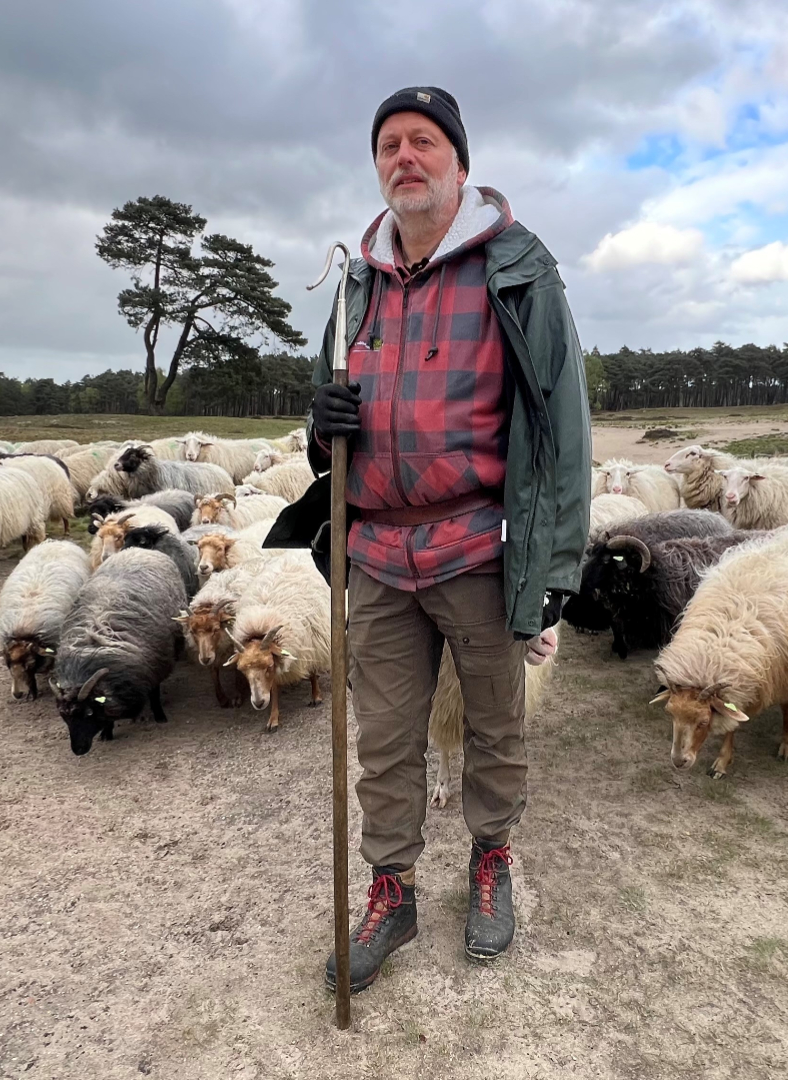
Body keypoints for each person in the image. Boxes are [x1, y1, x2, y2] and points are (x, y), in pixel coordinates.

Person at [304, 86, 591, 994]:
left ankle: (491, 859)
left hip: (479, 547)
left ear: (460, 165)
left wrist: (555, 564)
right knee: (386, 739)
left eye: (424, 142)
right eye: (389, 144)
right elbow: (328, 420)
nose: (405, 158)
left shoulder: (517, 270)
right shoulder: (355, 284)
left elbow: (563, 425)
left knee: (496, 725)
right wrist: (319, 425)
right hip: (378, 555)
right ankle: (392, 890)